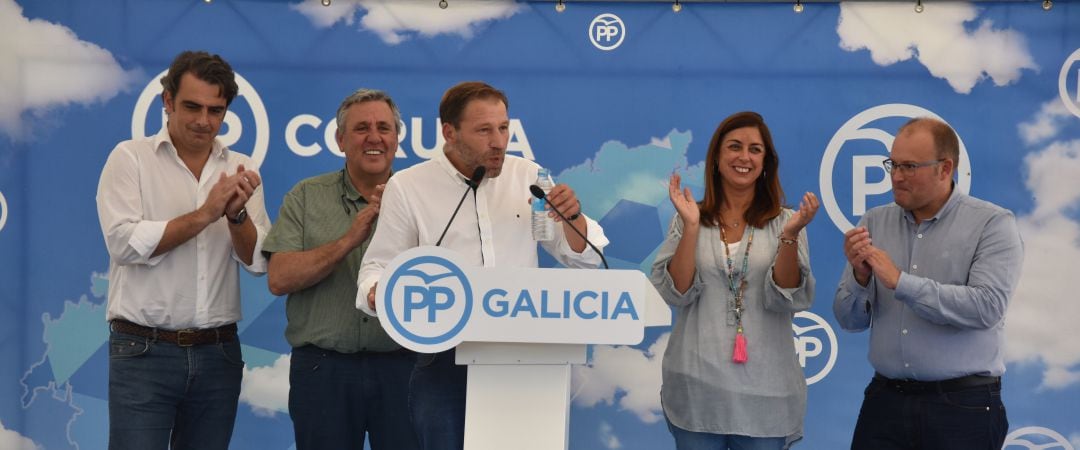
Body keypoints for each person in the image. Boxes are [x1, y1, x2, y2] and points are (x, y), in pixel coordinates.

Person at [355, 81, 608, 450]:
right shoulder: (409, 187)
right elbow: (374, 270)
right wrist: (381, 293)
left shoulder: (529, 177)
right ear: (449, 132)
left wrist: (576, 221)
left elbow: (583, 258)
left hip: (524, 357)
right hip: (445, 359)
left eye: (504, 128)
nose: (499, 141)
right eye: (484, 130)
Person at [96, 50, 269, 450]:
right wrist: (207, 213)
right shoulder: (129, 158)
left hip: (219, 354)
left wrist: (236, 217)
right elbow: (123, 243)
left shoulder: (241, 166)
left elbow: (259, 261)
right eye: (192, 106)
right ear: (167, 101)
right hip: (142, 351)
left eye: (216, 110)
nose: (204, 121)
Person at [833, 117, 1023, 450]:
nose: (896, 176)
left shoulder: (992, 224)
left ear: (944, 168)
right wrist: (861, 278)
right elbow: (849, 321)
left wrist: (902, 282)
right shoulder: (874, 221)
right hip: (884, 401)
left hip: (963, 407)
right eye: (893, 164)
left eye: (909, 166)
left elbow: (986, 308)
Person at [651, 111, 818, 450]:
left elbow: (785, 296)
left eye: (755, 150)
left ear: (766, 162)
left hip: (766, 394)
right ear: (716, 159)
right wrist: (693, 228)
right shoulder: (688, 217)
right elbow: (678, 293)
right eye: (735, 147)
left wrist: (789, 236)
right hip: (697, 390)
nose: (744, 157)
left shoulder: (787, 221)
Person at [261, 89, 418, 450]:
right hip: (323, 372)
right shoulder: (305, 195)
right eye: (362, 128)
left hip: (403, 369)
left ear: (396, 138)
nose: (375, 137)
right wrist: (349, 240)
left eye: (384, 128)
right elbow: (279, 278)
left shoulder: (421, 196)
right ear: (340, 140)